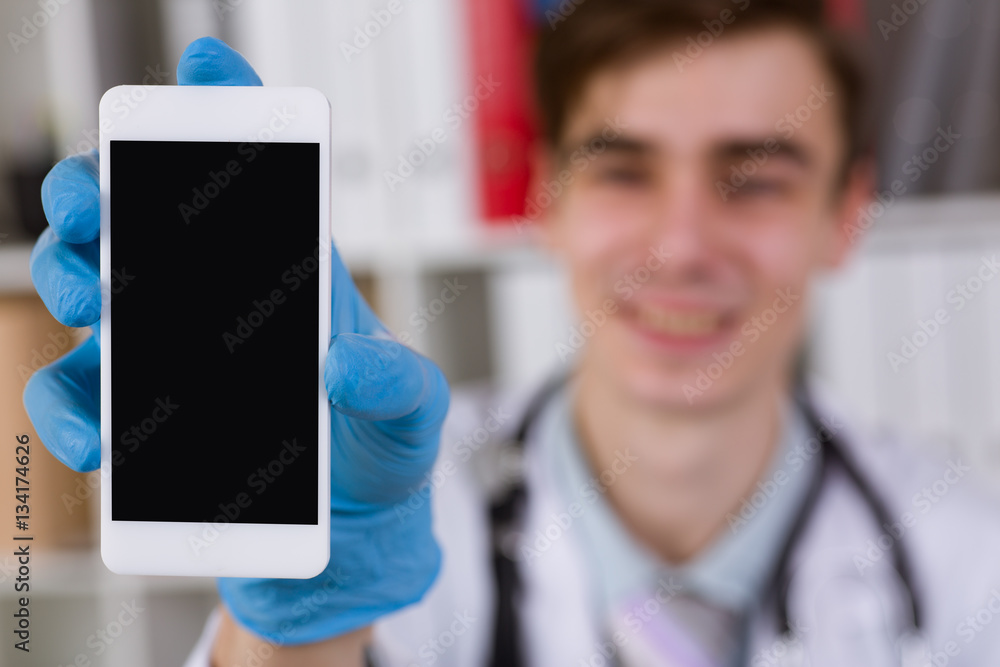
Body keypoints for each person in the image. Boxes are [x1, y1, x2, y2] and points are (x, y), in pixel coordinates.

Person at [24, 1, 1000, 665]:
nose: (681, 245)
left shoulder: (962, 557)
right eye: (624, 169)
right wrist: (300, 621)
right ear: (546, 198)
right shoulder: (401, 509)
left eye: (754, 176)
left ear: (846, 213)